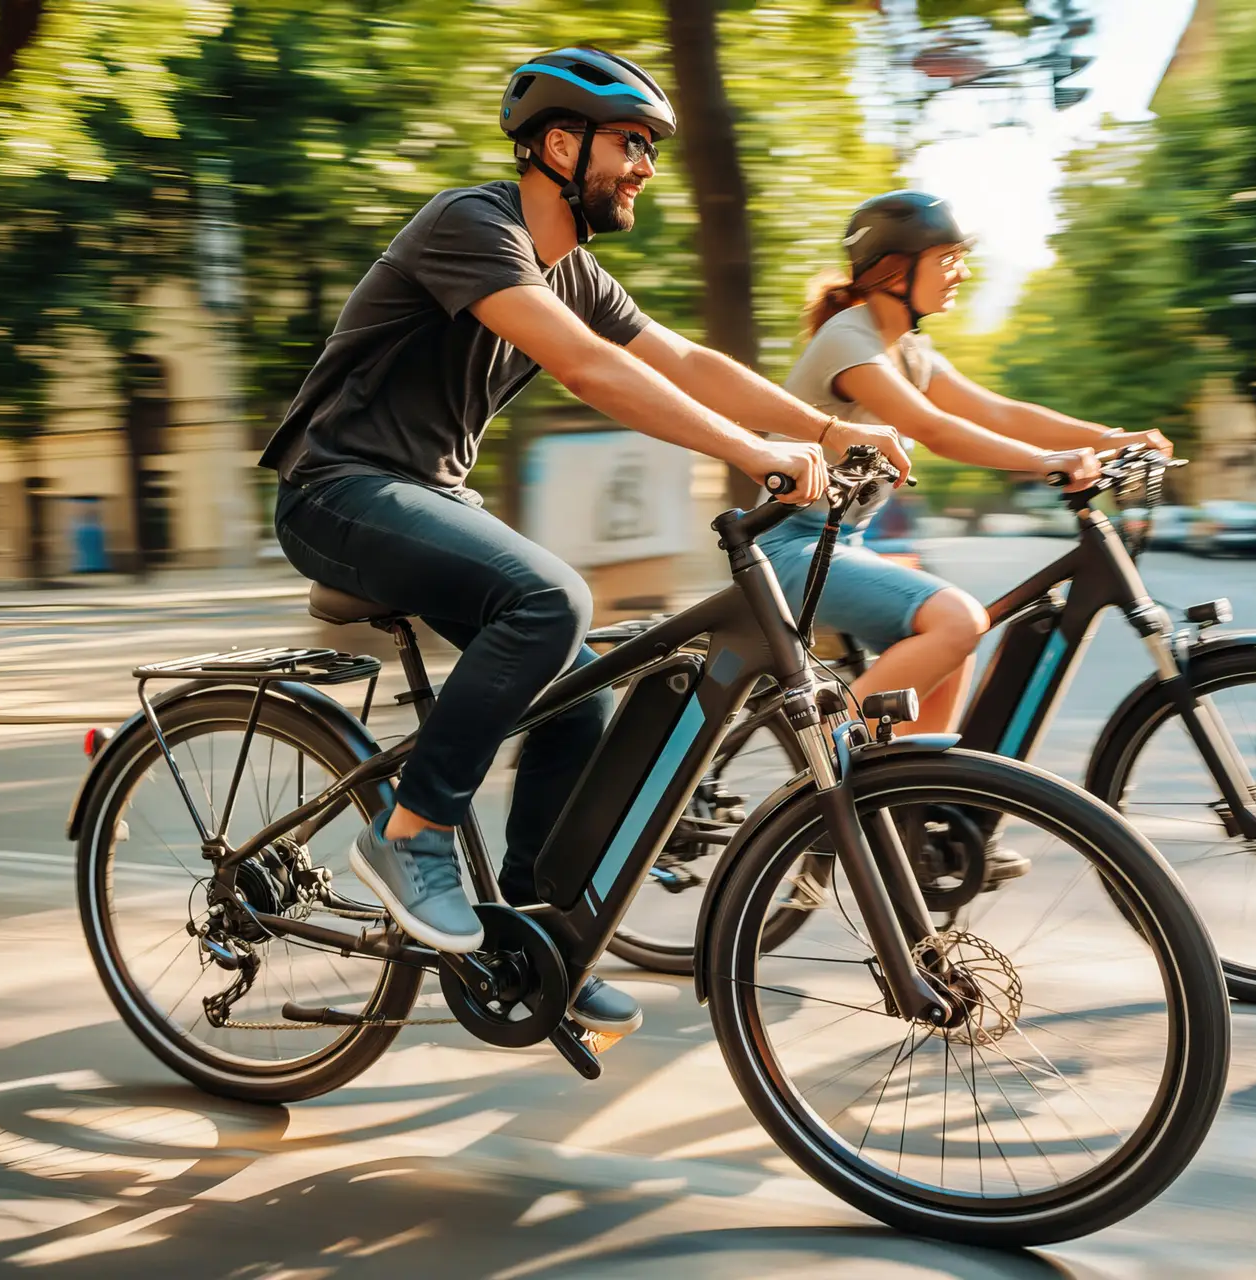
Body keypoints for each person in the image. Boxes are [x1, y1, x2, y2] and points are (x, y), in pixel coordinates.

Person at [259, 48, 911, 1036]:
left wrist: (827, 429)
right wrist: (747, 450)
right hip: (337, 489)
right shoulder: (471, 226)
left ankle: (533, 930)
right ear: (558, 146)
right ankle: (413, 832)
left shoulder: (573, 272)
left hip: (424, 494)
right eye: (631, 144)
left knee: (578, 690)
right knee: (550, 597)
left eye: (650, 147)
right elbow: (585, 368)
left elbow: (685, 359)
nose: (646, 165)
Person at [763, 191, 1172, 884]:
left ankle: (913, 816)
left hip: (840, 544)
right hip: (789, 547)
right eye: (946, 259)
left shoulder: (907, 351)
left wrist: (1108, 438)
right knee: (957, 619)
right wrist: (1048, 463)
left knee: (951, 646)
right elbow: (933, 429)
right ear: (894, 270)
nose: (959, 273)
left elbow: (998, 410)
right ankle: (821, 783)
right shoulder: (850, 340)